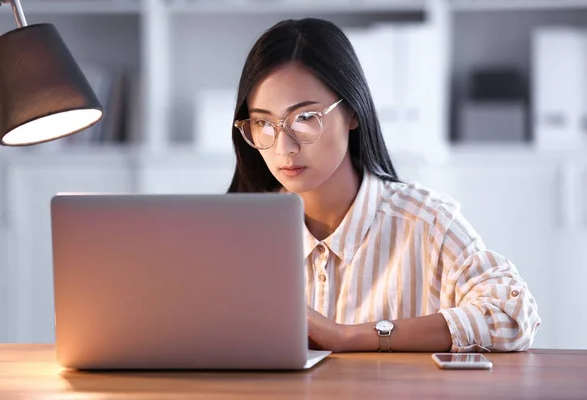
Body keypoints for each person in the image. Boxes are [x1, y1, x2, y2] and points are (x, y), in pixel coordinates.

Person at [227, 17, 541, 353]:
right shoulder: (241, 234)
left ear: (353, 111)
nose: (283, 148)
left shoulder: (426, 223)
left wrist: (350, 336)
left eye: (304, 118)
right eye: (263, 122)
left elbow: (513, 315)